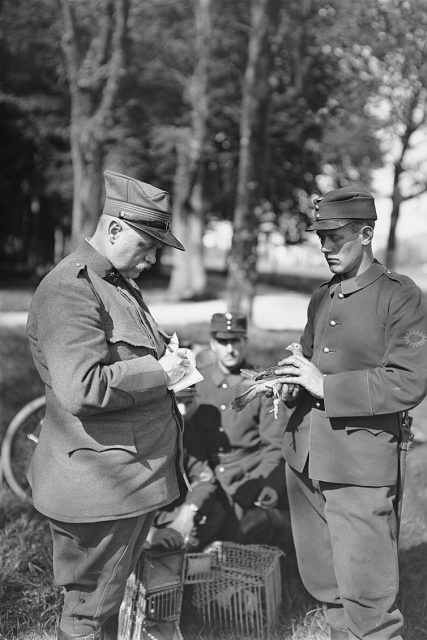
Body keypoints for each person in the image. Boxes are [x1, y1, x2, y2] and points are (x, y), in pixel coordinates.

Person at [26, 169, 195, 640]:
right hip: (102, 487)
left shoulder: (117, 285)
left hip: (126, 480)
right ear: (114, 228)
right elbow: (82, 385)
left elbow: (131, 362)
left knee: (102, 606)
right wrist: (161, 374)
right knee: (87, 613)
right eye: (145, 245)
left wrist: (171, 368)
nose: (152, 257)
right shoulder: (70, 290)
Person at [273, 187, 427, 639]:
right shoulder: (322, 295)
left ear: (366, 234)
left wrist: (325, 386)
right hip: (306, 454)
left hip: (360, 462)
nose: (325, 247)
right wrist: (289, 382)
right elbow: (307, 358)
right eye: (320, 236)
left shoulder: (399, 296)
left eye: (336, 237)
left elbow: (409, 379)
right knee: (326, 577)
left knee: (367, 590)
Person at [188, 312, 291, 547]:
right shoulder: (196, 383)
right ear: (213, 344)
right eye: (223, 342)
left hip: (248, 482)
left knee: (246, 545)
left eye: (235, 341)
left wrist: (269, 485)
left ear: (244, 341)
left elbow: (276, 445)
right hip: (206, 481)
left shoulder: (262, 383)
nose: (230, 349)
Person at [146, 387, 226, 552]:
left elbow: (204, 479)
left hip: (169, 512)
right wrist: (150, 533)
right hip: (137, 519)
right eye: (176, 401)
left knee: (214, 511)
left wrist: (189, 511)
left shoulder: (185, 430)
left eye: (188, 402)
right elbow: (116, 496)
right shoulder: (143, 432)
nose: (181, 410)